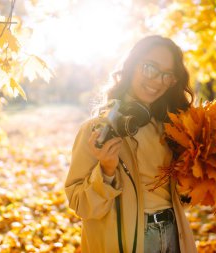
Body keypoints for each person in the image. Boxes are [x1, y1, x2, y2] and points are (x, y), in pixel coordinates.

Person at [65, 35, 197, 253]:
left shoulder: (172, 127)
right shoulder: (97, 130)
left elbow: (183, 196)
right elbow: (81, 205)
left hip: (174, 233)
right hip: (128, 243)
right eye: (149, 68)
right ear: (131, 66)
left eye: (167, 75)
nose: (157, 81)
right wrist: (106, 171)